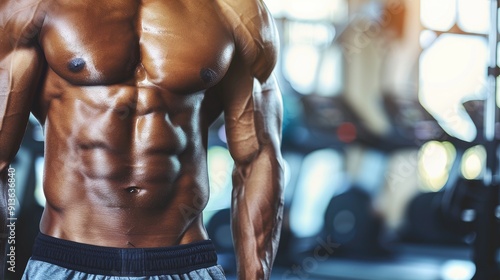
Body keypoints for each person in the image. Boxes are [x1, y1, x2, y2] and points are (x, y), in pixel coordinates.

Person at [0, 0, 284, 279]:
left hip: (184, 260)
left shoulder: (235, 8)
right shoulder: (33, 6)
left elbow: (258, 157)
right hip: (67, 258)